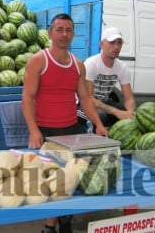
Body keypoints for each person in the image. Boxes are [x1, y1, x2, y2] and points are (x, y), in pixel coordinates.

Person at [22, 13, 108, 233]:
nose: (64, 34)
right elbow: (27, 97)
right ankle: (50, 226)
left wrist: (98, 123)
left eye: (68, 30)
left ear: (73, 34)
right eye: (59, 29)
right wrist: (33, 130)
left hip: (71, 132)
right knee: (51, 183)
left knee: (68, 181)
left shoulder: (79, 65)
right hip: (45, 132)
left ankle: (63, 221)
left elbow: (86, 99)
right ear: (50, 33)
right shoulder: (38, 60)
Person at [84, 27, 136, 127]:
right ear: (101, 44)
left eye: (119, 42)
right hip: (82, 105)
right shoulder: (91, 63)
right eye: (112, 43)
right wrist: (115, 111)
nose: (116, 47)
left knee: (129, 113)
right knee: (101, 115)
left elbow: (129, 98)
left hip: (102, 103)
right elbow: (88, 99)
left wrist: (130, 114)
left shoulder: (122, 67)